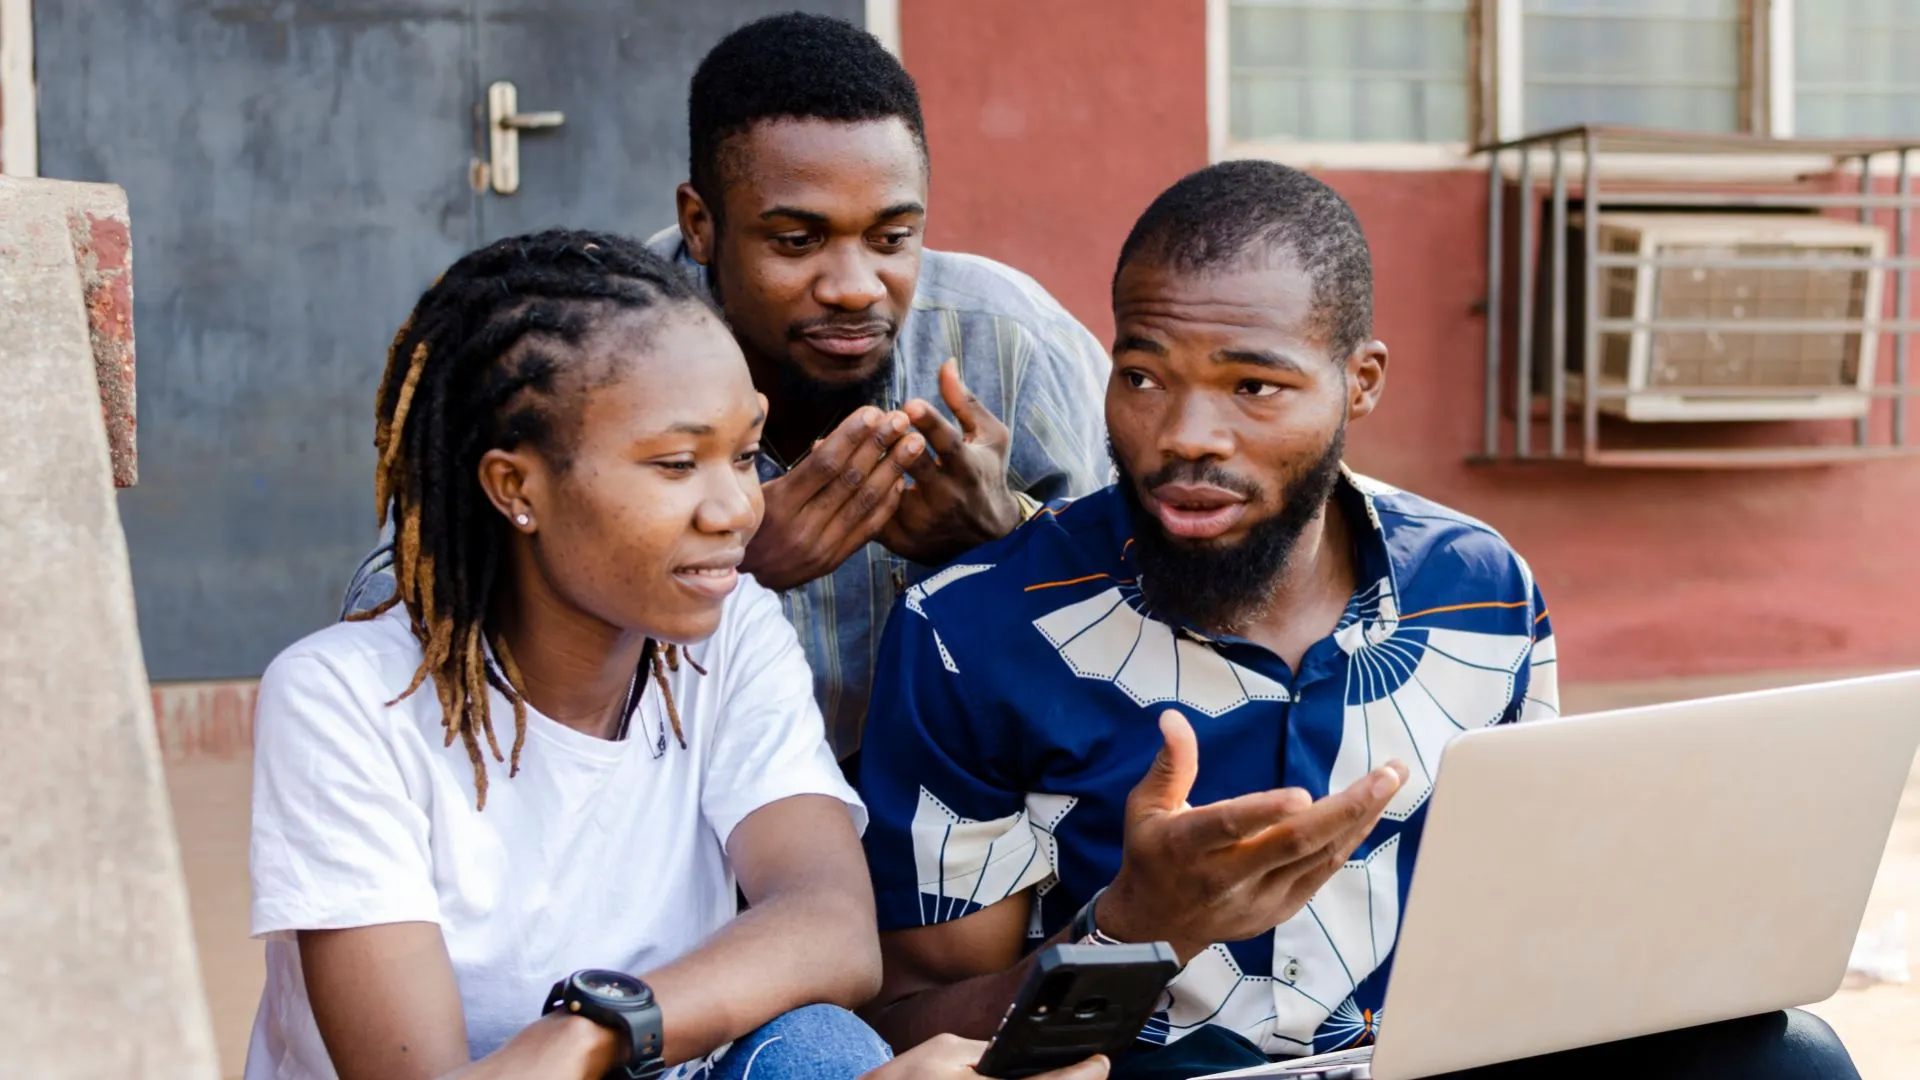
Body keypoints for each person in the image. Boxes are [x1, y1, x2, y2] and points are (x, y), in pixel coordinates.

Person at [852, 162, 1860, 1079]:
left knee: (1789, 1061)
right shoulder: (971, 631)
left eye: (1253, 386)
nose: (1184, 436)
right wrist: (1136, 932)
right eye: (1145, 376)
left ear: (1360, 383)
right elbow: (910, 1027)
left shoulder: (1478, 588)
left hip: (1425, 1063)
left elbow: (1524, 910)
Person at [246, 230, 1109, 1080]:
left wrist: (596, 1030)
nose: (735, 506)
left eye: (741, 455)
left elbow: (833, 927)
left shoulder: (726, 632)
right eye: (675, 463)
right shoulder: (344, 700)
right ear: (517, 488)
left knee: (820, 1050)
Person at [342, 14, 1111, 764]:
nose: (854, 287)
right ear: (700, 223)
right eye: (797, 241)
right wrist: (722, 560)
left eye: (891, 237)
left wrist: (1009, 535)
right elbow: (392, 612)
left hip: (960, 823)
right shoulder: (588, 350)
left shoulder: (1009, 341)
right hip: (668, 824)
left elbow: (1161, 597)